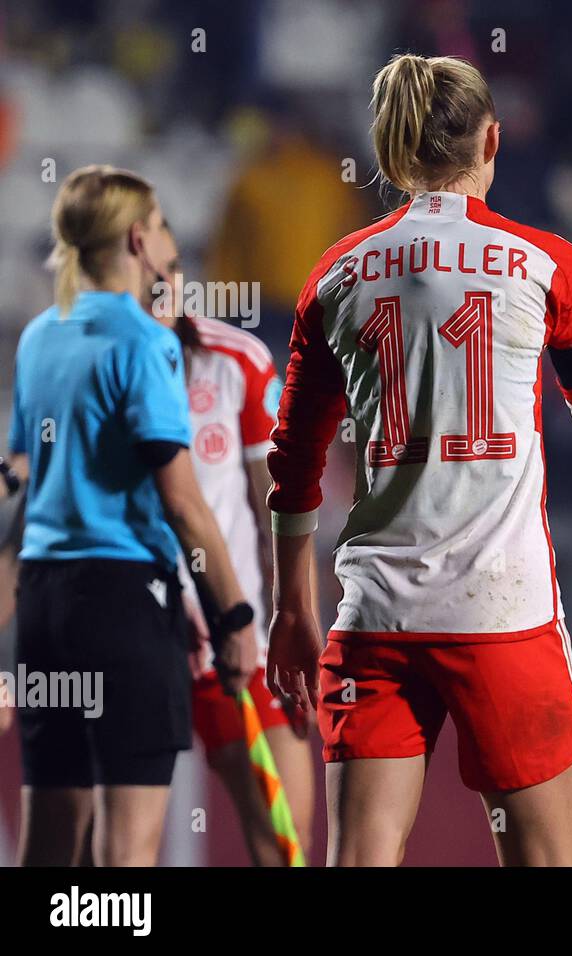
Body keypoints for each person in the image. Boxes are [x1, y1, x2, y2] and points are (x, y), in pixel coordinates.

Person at [265, 54, 572, 867]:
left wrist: (293, 608)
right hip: (505, 615)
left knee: (360, 858)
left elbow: (294, 462)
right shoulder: (545, 262)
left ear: (390, 152)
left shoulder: (334, 274)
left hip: (377, 615)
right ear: (492, 140)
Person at [6, 165, 257, 866]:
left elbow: (19, 496)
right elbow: (182, 501)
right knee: (127, 859)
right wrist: (235, 617)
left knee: (49, 848)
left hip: (45, 606)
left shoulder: (38, 338)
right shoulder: (147, 342)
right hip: (124, 604)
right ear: (141, 238)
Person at [152, 232, 316, 865]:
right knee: (110, 848)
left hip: (236, 639)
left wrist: (292, 620)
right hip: (141, 641)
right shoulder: (93, 370)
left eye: (170, 270)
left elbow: (278, 500)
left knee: (284, 843)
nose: (160, 288)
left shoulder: (236, 361)